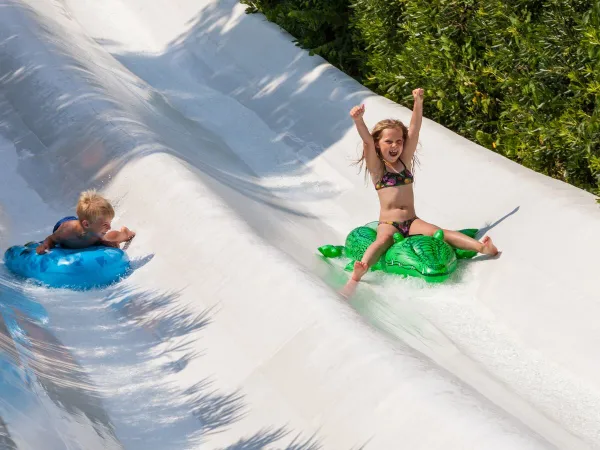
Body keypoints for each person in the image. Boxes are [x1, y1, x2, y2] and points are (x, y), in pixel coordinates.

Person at [347, 88, 498, 284]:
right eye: (388, 141)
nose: (395, 146)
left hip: (411, 221)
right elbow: (367, 142)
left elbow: (414, 130)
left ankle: (481, 248)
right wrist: (359, 120)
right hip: (389, 224)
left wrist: (418, 101)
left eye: (399, 142)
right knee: (382, 241)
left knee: (439, 233)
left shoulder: (404, 162)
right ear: (378, 144)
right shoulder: (378, 169)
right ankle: (362, 268)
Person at [36, 190, 135, 255]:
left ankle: (124, 234)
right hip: (69, 224)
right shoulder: (67, 231)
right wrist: (45, 246)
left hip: (88, 228)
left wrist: (107, 243)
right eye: (105, 224)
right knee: (99, 237)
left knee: (106, 239)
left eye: (109, 223)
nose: (109, 227)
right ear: (87, 224)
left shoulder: (94, 230)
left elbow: (102, 239)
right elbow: (51, 239)